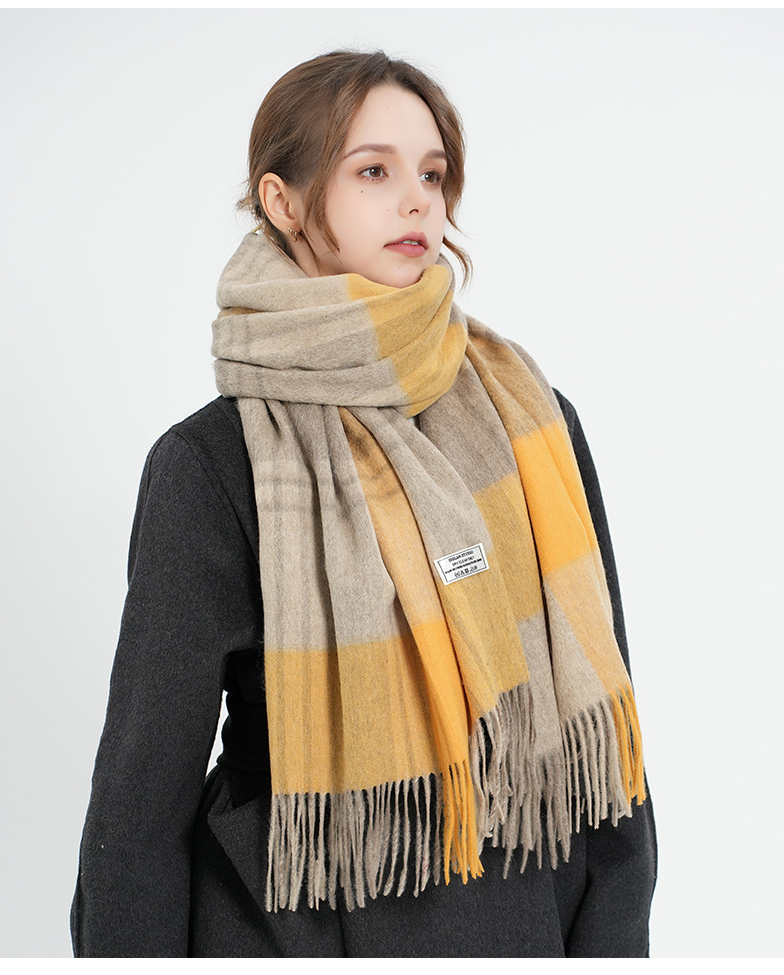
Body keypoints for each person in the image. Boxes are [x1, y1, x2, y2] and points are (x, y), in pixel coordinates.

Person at [71, 50, 657, 958]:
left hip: (522, 922)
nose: (418, 201)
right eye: (374, 171)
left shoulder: (532, 420)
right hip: (297, 926)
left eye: (432, 173)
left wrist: (614, 939)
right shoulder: (214, 464)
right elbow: (140, 804)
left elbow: (605, 729)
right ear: (284, 202)